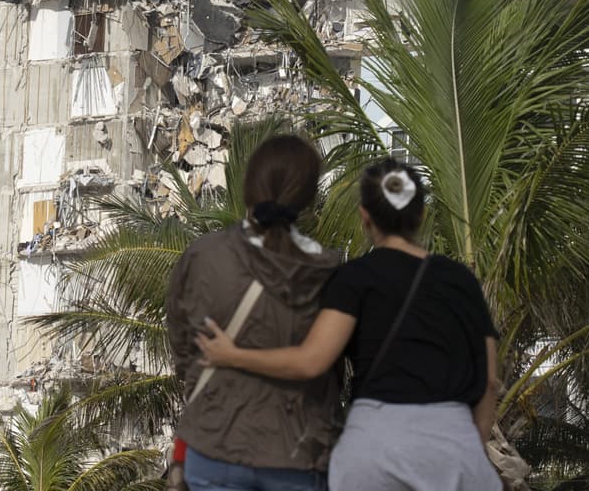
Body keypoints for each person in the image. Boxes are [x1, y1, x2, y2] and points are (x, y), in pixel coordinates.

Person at [197, 158, 503, 490]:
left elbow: (311, 362)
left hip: (374, 450)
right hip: (453, 446)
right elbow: (488, 381)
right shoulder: (461, 281)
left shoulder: (353, 279)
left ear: (365, 216)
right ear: (421, 214)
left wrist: (230, 355)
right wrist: (467, 442)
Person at [165, 134, 343, 491]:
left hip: (213, 446)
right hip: (296, 453)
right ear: (307, 196)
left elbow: (183, 347)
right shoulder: (328, 273)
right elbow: (330, 366)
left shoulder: (204, 256)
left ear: (248, 187)